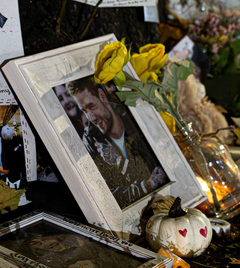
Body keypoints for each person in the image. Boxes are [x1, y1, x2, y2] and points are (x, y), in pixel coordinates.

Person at [67, 77, 169, 208]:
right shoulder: (90, 142)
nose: (91, 118)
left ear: (102, 96)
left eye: (92, 106)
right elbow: (110, 198)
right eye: (84, 111)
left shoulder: (133, 115)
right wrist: (147, 186)